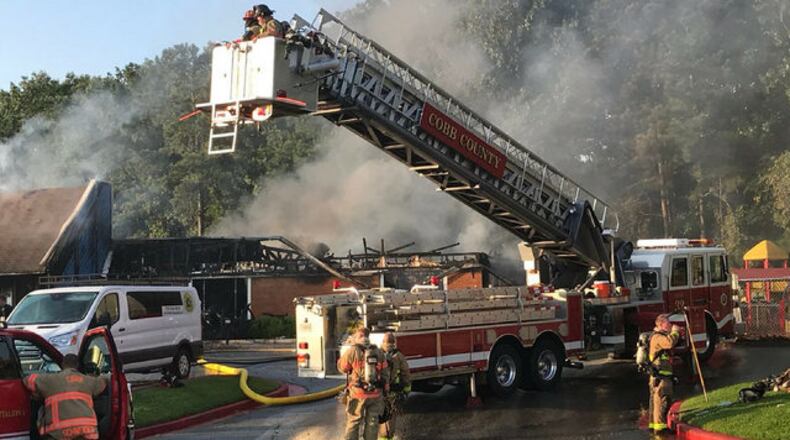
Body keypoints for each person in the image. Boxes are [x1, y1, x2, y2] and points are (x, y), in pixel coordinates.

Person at [24, 354, 107, 440]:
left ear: (63, 364)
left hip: (59, 433)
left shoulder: (50, 380)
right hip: (87, 431)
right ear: (77, 365)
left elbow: (28, 380)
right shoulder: (88, 381)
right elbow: (102, 383)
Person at [338, 327, 389, 440]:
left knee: (354, 421)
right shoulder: (378, 352)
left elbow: (343, 368)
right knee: (372, 422)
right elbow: (385, 373)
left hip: (357, 394)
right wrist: (385, 390)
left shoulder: (352, 351)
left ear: (358, 336)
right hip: (375, 394)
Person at [647, 314, 680, 433]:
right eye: (668, 323)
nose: (670, 325)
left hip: (661, 376)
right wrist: (676, 332)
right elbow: (669, 342)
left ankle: (655, 426)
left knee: (657, 401)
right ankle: (661, 429)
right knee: (662, 401)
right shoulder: (657, 337)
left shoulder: (657, 336)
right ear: (661, 324)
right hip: (661, 377)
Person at [378, 332, 411, 440]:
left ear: (383, 342)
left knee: (378, 416)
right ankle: (388, 437)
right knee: (390, 417)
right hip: (393, 393)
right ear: (394, 343)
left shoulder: (376, 354)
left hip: (378, 393)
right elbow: (405, 373)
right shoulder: (399, 356)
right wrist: (406, 390)